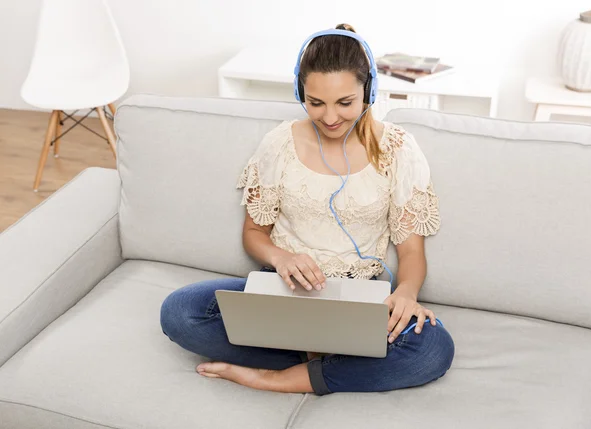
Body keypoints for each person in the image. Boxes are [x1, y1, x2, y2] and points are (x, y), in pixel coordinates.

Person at [160, 23, 455, 396]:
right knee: (180, 311)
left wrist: (407, 293)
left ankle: (281, 376)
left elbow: (412, 250)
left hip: (362, 297)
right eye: (316, 103)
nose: (330, 117)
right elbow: (254, 233)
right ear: (301, 93)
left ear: (369, 91)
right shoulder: (279, 143)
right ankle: (339, 362)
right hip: (285, 294)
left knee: (433, 349)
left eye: (345, 103)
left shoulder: (397, 148)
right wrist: (281, 258)